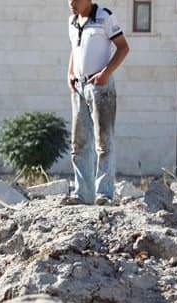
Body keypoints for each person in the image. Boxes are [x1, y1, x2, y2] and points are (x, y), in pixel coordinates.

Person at [64, 0, 129, 205]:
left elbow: (123, 48)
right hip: (79, 87)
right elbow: (75, 49)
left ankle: (104, 195)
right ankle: (82, 194)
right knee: (79, 143)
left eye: (75, 0)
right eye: (69, 0)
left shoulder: (105, 17)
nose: (71, 4)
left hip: (100, 87)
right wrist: (70, 74)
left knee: (104, 142)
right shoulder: (72, 21)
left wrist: (105, 73)